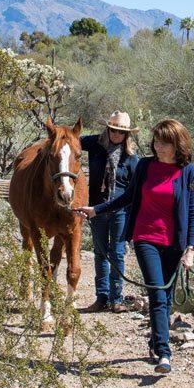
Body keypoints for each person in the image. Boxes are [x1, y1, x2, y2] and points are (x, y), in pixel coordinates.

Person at [77, 119, 194, 374]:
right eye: (156, 141)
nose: (158, 146)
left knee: (165, 298)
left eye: (164, 142)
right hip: (146, 238)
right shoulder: (145, 166)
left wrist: (190, 249)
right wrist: (96, 210)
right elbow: (128, 197)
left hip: (174, 243)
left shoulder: (189, 172)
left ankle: (155, 341)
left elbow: (192, 211)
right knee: (156, 292)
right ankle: (165, 353)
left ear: (177, 144)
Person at [81, 110, 139, 313]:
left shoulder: (132, 158)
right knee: (100, 253)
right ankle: (102, 297)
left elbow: (134, 191)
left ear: (126, 135)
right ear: (108, 128)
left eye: (120, 132)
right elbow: (71, 140)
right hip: (96, 209)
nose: (116, 135)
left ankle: (117, 298)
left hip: (120, 212)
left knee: (117, 253)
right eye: (113, 129)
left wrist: (133, 220)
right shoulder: (95, 145)